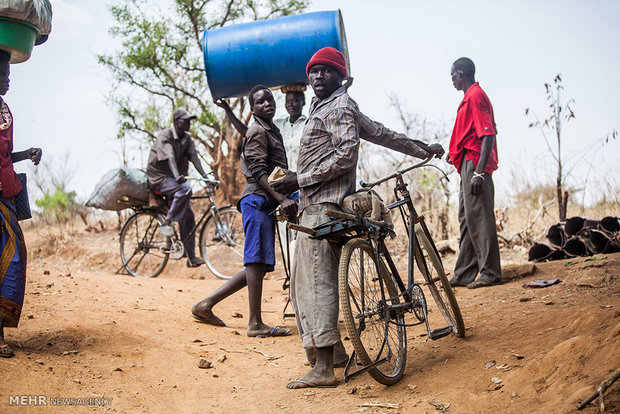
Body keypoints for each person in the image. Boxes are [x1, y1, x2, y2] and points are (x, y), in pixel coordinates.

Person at [272, 47, 445, 389]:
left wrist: (300, 179)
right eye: (313, 71)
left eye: (325, 71)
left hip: (323, 207)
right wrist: (420, 147)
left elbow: (347, 155)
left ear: (341, 77)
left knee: (314, 284)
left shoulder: (338, 105)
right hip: (318, 205)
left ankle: (323, 369)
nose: (317, 76)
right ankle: (334, 352)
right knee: (310, 281)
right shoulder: (330, 107)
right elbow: (381, 133)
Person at [191, 86, 296, 337]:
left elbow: (245, 131)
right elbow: (259, 172)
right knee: (255, 262)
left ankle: (205, 305)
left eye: (270, 99)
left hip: (263, 201)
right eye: (260, 102)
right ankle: (255, 323)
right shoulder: (260, 131)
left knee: (256, 265)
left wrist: (227, 109)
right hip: (258, 200)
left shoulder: (266, 129)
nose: (267, 104)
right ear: (253, 109)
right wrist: (281, 198)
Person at [0, 49, 43, 358]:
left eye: (8, 74)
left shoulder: (4, 110)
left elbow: (4, 156)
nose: (7, 80)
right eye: (2, 75)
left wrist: (25, 154)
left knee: (14, 258)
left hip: (7, 192)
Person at [446, 57, 501, 289]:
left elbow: (487, 134)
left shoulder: (476, 96)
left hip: (476, 165)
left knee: (479, 218)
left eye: (452, 75)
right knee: (467, 218)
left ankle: (490, 272)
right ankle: (464, 272)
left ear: (461, 74)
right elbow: (469, 133)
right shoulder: (469, 98)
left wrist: (478, 173)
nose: (451, 80)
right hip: (467, 165)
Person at [146, 108, 208, 267]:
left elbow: (195, 159)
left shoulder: (187, 139)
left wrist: (207, 177)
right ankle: (167, 222)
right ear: (177, 122)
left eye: (189, 120)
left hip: (174, 179)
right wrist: (178, 176)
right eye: (185, 120)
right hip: (159, 177)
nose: (188, 123)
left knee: (188, 216)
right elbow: (170, 158)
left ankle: (191, 257)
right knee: (184, 189)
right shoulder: (166, 136)